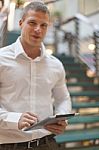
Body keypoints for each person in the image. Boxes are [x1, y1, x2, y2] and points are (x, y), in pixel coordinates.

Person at [0, 1, 71, 150]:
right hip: (9, 145)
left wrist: (61, 117)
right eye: (32, 23)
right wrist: (13, 119)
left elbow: (63, 98)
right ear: (21, 23)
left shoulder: (56, 64)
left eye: (43, 25)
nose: (38, 29)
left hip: (47, 143)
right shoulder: (1, 59)